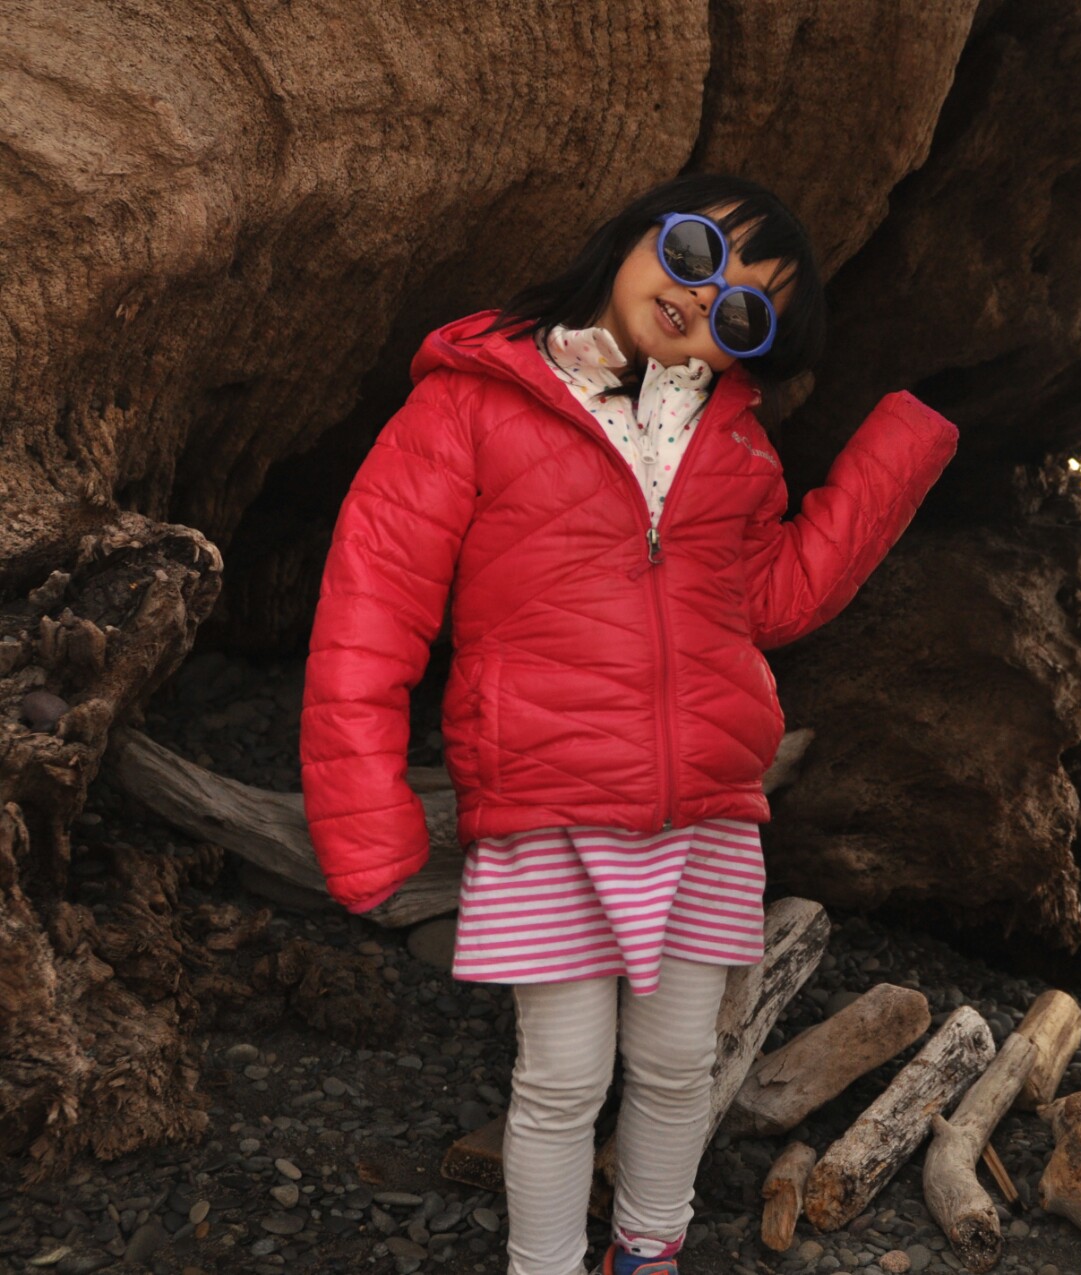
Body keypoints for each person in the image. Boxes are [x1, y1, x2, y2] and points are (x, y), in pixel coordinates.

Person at [299, 172, 960, 1275]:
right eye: (696, 253)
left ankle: (648, 1252)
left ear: (751, 352)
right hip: (547, 801)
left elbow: (780, 596)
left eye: (743, 312)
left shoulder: (736, 445)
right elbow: (373, 604)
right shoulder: (469, 402)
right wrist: (362, 808)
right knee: (560, 1077)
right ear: (635, 235)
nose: (704, 300)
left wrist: (900, 452)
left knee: (676, 1066)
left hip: (704, 810)